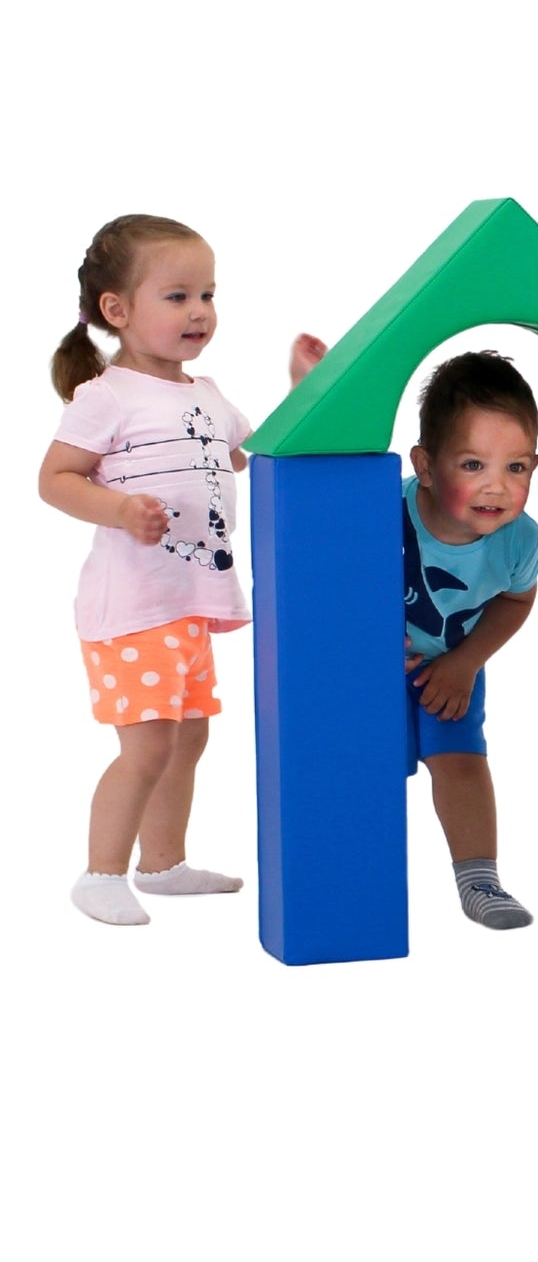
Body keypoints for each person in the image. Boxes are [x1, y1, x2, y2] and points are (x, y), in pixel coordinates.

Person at [39, 213, 326, 926]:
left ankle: (162, 864)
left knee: (187, 735)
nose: (200, 311)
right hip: (133, 605)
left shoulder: (206, 394)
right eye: (177, 296)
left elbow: (253, 456)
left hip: (189, 600)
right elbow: (55, 479)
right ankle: (99, 874)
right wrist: (119, 510)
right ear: (118, 310)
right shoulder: (106, 396)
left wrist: (302, 392)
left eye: (208, 294)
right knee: (146, 745)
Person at [403, 350, 538, 931]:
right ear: (429, 467)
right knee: (361, 765)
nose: (498, 486)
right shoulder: (381, 512)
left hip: (452, 669)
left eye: (517, 467)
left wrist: (466, 663)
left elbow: (516, 600)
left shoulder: (518, 541)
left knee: (463, 764)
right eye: (472, 465)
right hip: (364, 665)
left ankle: (479, 879)